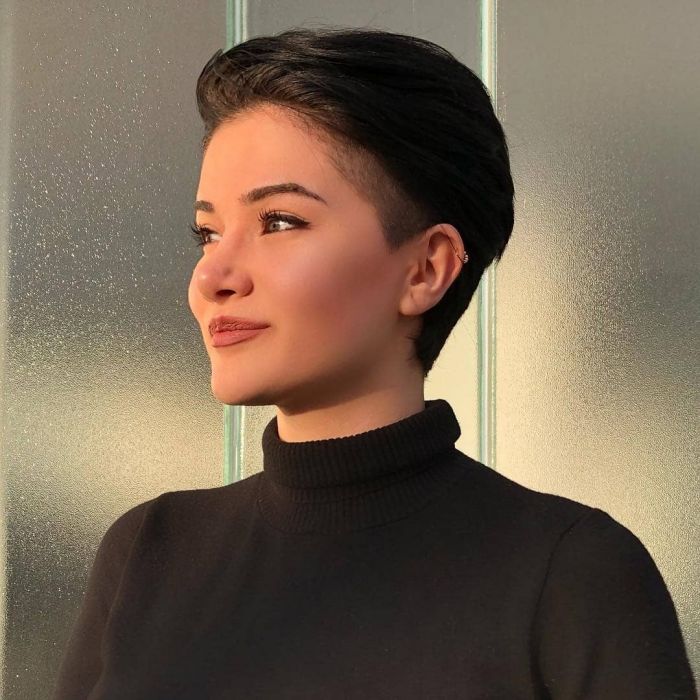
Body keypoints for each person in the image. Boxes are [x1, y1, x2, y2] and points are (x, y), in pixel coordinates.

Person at [52, 26, 696, 699]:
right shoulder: (149, 553)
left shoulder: (569, 573)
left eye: (279, 222)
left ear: (426, 269)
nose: (212, 276)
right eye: (207, 233)